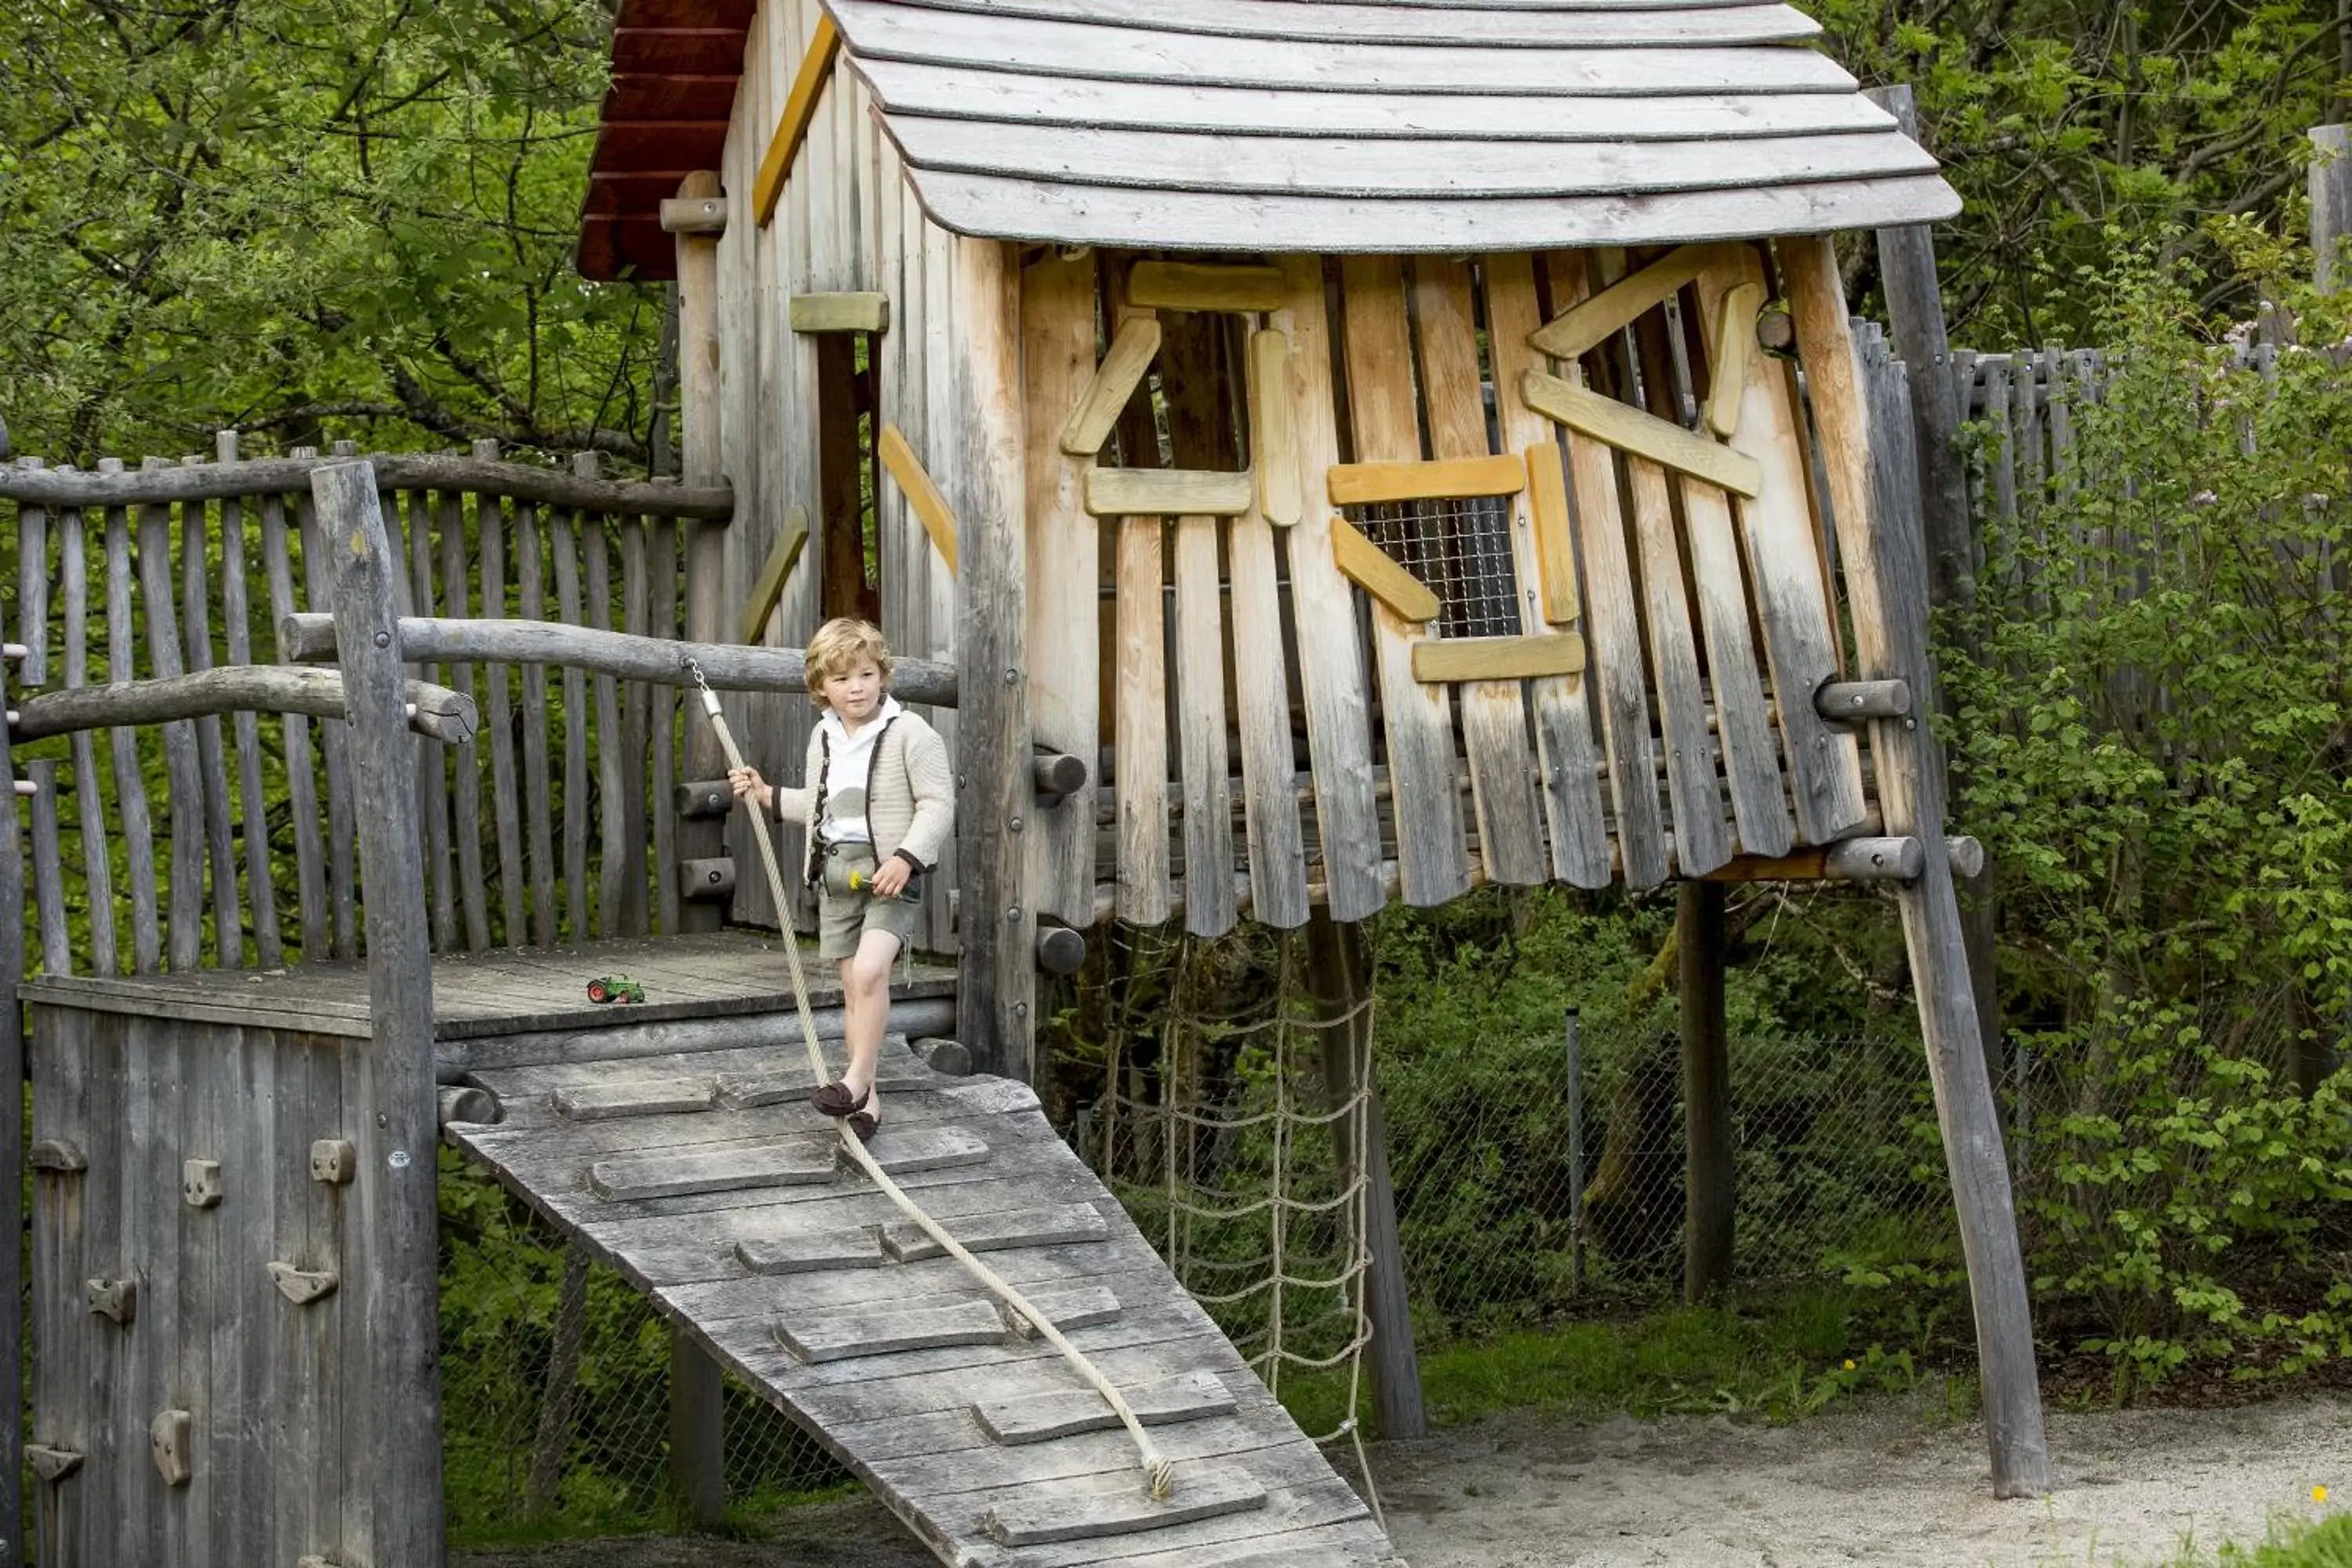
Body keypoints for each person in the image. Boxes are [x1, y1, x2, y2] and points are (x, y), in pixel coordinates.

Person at [728, 618, 953, 1142]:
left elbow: (938, 804)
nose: (857, 687)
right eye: (844, 678)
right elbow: (824, 805)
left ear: (883, 676)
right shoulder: (824, 736)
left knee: (873, 971)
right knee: (856, 986)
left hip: (891, 870)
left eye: (867, 674)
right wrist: (767, 795)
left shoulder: (909, 733)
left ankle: (854, 1079)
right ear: (821, 687)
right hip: (836, 872)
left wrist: (906, 858)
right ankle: (867, 1101)